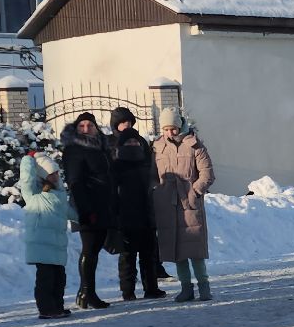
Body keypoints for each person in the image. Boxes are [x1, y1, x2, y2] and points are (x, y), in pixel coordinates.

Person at [152, 108, 215, 302]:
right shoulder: (156, 147)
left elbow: (207, 174)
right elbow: (152, 175)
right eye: (166, 129)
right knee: (176, 249)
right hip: (167, 204)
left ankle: (204, 286)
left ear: (179, 126)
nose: (170, 133)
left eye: (173, 128)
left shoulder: (195, 145)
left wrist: (194, 191)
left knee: (194, 249)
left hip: (189, 202)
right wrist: (157, 191)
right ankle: (185, 288)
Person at [109, 107, 168, 300]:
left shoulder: (145, 160)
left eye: (135, 141)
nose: (133, 143)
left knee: (148, 254)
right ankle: (128, 291)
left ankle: (151, 288)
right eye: (129, 141)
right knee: (127, 256)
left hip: (146, 214)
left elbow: (154, 181)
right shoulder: (116, 164)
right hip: (126, 216)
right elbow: (113, 191)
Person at [60, 112, 115, 310]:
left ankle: (87, 293)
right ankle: (86, 293)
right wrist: (85, 210)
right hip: (88, 206)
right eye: (81, 126)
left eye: (89, 125)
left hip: (103, 204)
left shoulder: (101, 147)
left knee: (94, 250)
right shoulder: (74, 149)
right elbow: (75, 182)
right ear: (76, 128)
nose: (86, 129)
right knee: (89, 250)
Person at [18, 154, 76, 319]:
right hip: (41, 244)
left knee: (59, 278)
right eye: (52, 174)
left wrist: (84, 218)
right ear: (43, 176)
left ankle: (57, 306)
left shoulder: (59, 194)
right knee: (46, 279)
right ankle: (46, 309)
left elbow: (67, 212)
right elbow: (27, 178)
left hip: (57, 244)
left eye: (57, 173)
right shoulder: (33, 194)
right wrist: (28, 160)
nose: (56, 176)